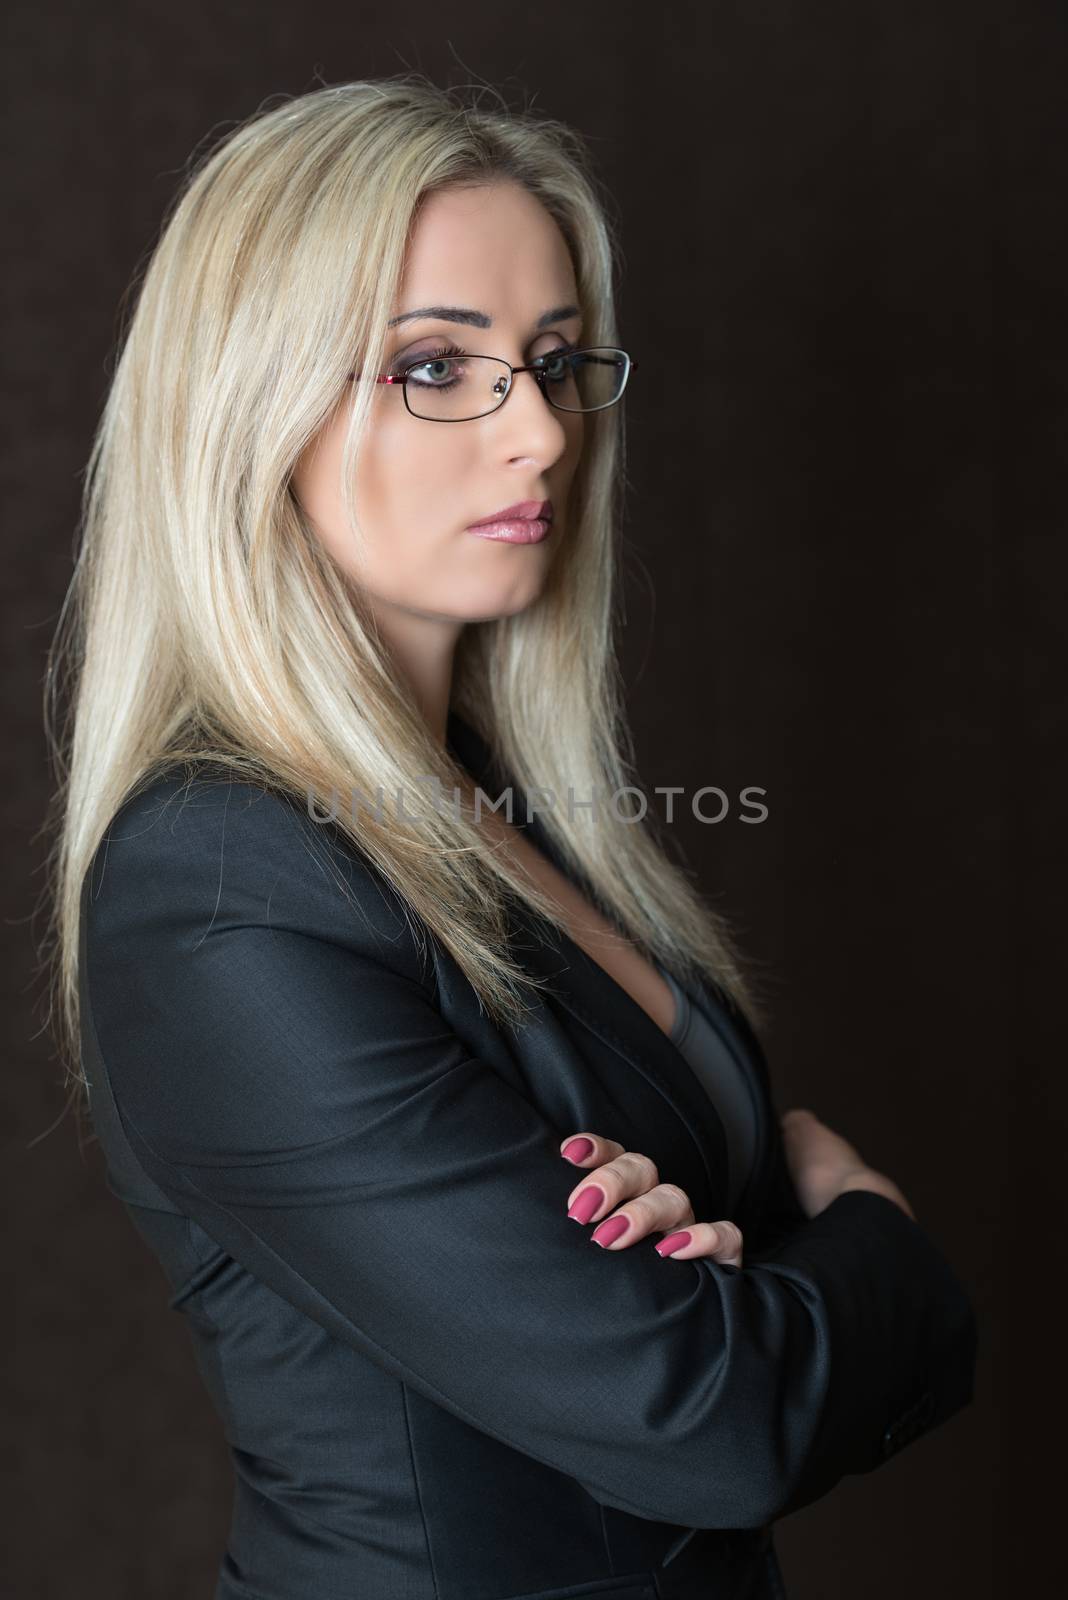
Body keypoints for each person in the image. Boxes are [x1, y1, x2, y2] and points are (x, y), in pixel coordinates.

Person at [43, 78, 977, 1600]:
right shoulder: (218, 888)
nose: (540, 432)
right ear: (249, 408)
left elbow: (691, 1335)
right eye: (434, 366)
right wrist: (879, 1241)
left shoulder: (501, 811)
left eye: (552, 363)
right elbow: (711, 1419)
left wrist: (715, 1269)